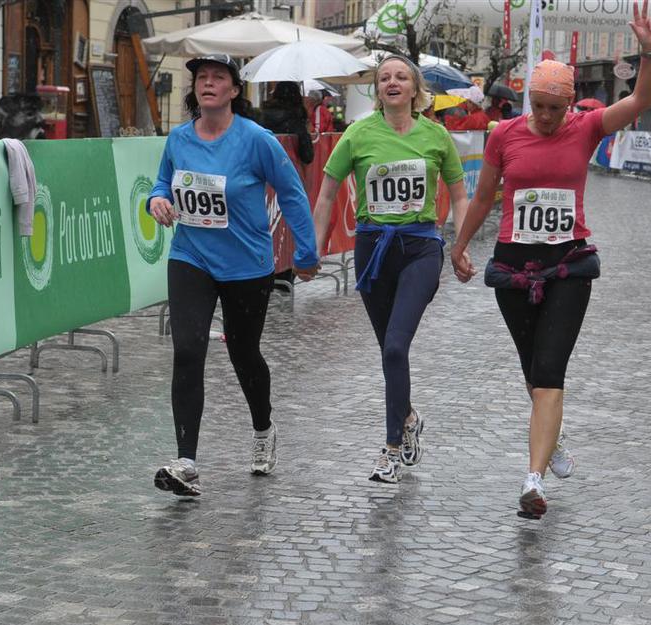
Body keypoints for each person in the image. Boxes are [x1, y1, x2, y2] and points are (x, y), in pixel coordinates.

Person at [450, 0, 651, 519]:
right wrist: (459, 244)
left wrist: (650, 53)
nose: (545, 117)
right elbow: (484, 196)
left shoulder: (586, 128)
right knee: (532, 367)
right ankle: (553, 438)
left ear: (569, 104)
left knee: (549, 371)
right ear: (529, 100)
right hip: (512, 266)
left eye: (555, 108)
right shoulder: (504, 135)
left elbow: (641, 100)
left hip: (569, 265)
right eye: (539, 106)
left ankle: (532, 479)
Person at [147, 54, 319, 497]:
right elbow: (162, 182)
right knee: (188, 349)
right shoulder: (179, 138)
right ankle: (186, 462)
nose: (207, 83)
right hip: (191, 257)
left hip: (246, 265)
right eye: (201, 77)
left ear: (234, 90)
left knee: (245, 353)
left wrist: (306, 252)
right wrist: (156, 200)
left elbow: (292, 192)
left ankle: (263, 427)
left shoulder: (257, 140)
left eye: (217, 77)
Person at [311, 54, 471, 483]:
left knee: (396, 347)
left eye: (401, 76)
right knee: (389, 351)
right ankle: (409, 416)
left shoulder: (436, 136)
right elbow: (326, 195)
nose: (393, 82)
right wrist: (313, 248)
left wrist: (460, 246)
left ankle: (391, 450)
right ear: (378, 90)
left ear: (416, 89)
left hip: (420, 249)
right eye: (385, 78)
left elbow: (459, 196)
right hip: (373, 251)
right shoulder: (358, 134)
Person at [260, 82, 316, 292]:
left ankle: (266, 274)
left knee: (268, 228)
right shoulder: (295, 119)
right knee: (286, 232)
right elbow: (308, 155)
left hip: (263, 187)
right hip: (288, 182)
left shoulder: (262, 118)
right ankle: (284, 276)